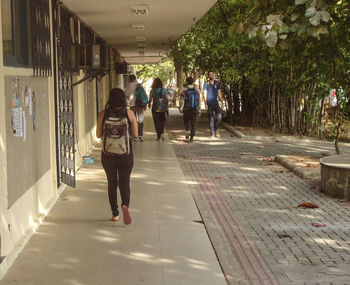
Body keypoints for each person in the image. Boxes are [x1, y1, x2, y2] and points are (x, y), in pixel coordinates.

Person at [96, 88, 138, 225]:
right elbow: (136, 135)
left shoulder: (104, 114)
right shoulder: (129, 114)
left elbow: (98, 135)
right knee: (124, 183)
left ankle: (115, 214)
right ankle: (125, 205)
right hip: (125, 154)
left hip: (108, 155)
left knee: (112, 183)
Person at [179, 77, 201, 143]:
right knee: (193, 123)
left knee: (185, 120)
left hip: (186, 108)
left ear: (186, 82)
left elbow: (182, 100)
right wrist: (199, 110)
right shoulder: (197, 90)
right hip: (194, 108)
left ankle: (187, 130)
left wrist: (181, 108)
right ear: (193, 82)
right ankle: (191, 138)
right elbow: (199, 100)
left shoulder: (184, 90)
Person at [125, 74, 146, 142]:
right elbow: (144, 95)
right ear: (135, 78)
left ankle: (134, 136)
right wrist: (145, 105)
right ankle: (141, 135)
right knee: (140, 120)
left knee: (132, 120)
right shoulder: (139, 85)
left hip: (132, 105)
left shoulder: (128, 85)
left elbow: (127, 96)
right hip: (140, 105)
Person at [202, 71, 223, 138]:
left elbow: (219, 93)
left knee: (219, 117)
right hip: (209, 103)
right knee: (211, 119)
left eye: (212, 74)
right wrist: (205, 104)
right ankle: (212, 133)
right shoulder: (206, 84)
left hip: (216, 103)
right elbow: (204, 94)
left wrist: (222, 101)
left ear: (214, 75)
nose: (211, 75)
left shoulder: (217, 83)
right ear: (208, 76)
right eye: (210, 74)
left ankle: (216, 129)